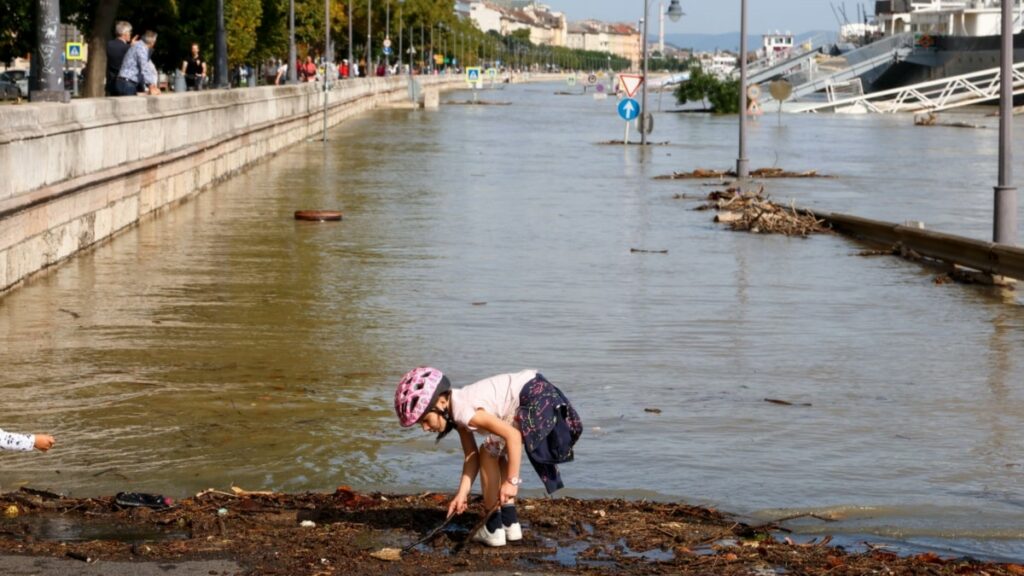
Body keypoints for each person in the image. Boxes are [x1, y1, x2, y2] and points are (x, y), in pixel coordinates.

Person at [394, 368, 581, 548]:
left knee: (488, 452)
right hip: (540, 392)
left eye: (425, 420)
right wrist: (462, 494)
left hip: (532, 397)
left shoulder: (464, 412)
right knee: (493, 452)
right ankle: (509, 522)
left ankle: (493, 528)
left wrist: (512, 481)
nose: (425, 428)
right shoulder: (458, 410)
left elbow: (513, 437)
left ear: (442, 402)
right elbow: (471, 456)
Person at [116, 30, 160, 96]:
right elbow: (145, 67)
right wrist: (151, 85)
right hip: (128, 83)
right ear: (153, 42)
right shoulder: (141, 48)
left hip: (126, 81)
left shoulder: (138, 45)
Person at [105, 21, 134, 96]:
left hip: (111, 84)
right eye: (129, 32)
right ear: (125, 33)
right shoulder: (127, 48)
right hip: (125, 84)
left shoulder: (109, 44)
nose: (130, 34)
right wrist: (132, 47)